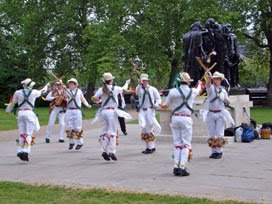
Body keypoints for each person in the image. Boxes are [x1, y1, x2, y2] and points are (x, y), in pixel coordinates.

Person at [163, 72, 202, 176]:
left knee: (177, 143)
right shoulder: (192, 91)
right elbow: (199, 90)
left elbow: (165, 105)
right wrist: (200, 83)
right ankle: (182, 167)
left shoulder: (173, 92)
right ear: (188, 82)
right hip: (186, 119)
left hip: (175, 118)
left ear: (179, 82)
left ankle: (176, 166)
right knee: (185, 143)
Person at [6, 78, 49, 161]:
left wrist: (8, 110)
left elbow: (12, 103)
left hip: (20, 113)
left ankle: (20, 150)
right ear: (31, 86)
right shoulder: (34, 92)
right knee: (28, 133)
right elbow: (43, 90)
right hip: (29, 113)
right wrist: (47, 85)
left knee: (22, 133)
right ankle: (26, 151)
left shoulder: (18, 92)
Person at [92, 73, 131, 161]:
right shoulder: (115, 88)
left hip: (103, 112)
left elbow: (94, 98)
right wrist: (127, 83)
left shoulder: (101, 89)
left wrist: (99, 100)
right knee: (112, 132)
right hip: (111, 112)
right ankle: (112, 151)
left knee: (105, 132)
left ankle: (103, 150)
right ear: (111, 80)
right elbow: (124, 89)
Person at [201, 71, 234, 159]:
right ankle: (214, 151)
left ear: (220, 80)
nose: (216, 80)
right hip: (211, 113)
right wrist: (208, 78)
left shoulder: (223, 90)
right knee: (211, 133)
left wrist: (227, 101)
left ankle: (219, 151)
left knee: (219, 133)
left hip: (220, 113)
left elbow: (227, 99)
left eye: (217, 79)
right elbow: (208, 85)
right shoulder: (211, 88)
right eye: (214, 78)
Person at [136, 73, 161, 154]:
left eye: (145, 81)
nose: (143, 82)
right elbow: (137, 91)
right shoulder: (139, 88)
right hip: (142, 111)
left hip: (150, 110)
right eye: (142, 81)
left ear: (147, 81)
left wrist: (156, 104)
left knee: (149, 128)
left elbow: (158, 98)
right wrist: (139, 85)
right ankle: (149, 147)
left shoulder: (153, 89)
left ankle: (151, 147)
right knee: (144, 129)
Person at [65, 78, 92, 150]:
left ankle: (80, 142)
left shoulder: (79, 91)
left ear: (75, 85)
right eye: (69, 83)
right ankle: (71, 142)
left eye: (72, 83)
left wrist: (87, 104)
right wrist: (68, 97)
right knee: (69, 127)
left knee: (77, 127)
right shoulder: (67, 91)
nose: (70, 85)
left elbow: (82, 99)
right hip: (69, 110)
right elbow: (65, 98)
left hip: (77, 110)